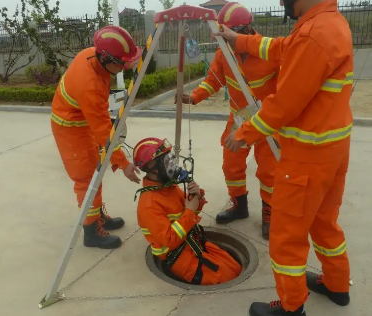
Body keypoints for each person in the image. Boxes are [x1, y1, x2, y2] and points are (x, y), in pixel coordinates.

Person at [215, 0, 353, 314]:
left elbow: (285, 104)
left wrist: (245, 133)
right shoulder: (329, 23)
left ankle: (291, 307)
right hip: (331, 151)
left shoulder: (313, 34)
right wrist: (240, 41)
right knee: (324, 222)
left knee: (286, 238)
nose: (280, 1)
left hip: (307, 158)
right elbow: (282, 47)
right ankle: (337, 284)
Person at [179, 2, 280, 240]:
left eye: (227, 35)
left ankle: (270, 211)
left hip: (268, 120)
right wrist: (193, 97)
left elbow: (287, 88)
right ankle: (239, 204)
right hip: (239, 117)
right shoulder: (223, 54)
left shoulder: (269, 51)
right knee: (231, 163)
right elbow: (213, 80)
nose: (223, 41)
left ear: (244, 31)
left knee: (269, 169)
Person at [51, 25, 142, 250]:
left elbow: (100, 123)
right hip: (70, 128)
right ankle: (91, 231)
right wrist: (124, 163)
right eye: (120, 63)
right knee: (86, 179)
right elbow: (103, 130)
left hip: (84, 122)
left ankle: (98, 215)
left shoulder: (94, 57)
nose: (123, 68)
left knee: (96, 172)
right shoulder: (89, 84)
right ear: (106, 59)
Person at [133, 137, 242, 285]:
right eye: (167, 160)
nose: (172, 164)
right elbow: (169, 240)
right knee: (226, 277)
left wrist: (197, 197)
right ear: (153, 166)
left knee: (235, 267)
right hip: (177, 256)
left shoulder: (168, 187)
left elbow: (189, 214)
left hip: (192, 243)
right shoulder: (149, 204)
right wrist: (190, 211)